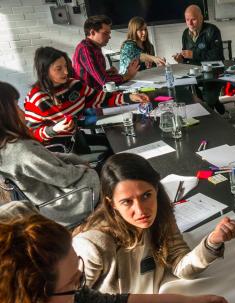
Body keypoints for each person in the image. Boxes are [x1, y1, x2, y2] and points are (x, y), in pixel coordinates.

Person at [0, 208, 235, 303]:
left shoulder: (64, 301)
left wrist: (185, 302)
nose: (80, 284)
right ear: (33, 302)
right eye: (71, 284)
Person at [72, 153, 235, 303]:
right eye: (127, 202)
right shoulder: (92, 244)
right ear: (111, 204)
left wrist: (212, 242)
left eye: (146, 196)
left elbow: (180, 265)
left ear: (156, 190)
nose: (142, 210)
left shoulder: (161, 217)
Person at [0, 81, 99, 227]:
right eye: (16, 106)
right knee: (106, 176)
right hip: (62, 204)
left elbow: (45, 158)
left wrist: (73, 160)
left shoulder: (8, 145)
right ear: (5, 113)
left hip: (48, 198)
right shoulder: (20, 150)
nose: (22, 112)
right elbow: (63, 177)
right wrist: (83, 168)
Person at [24, 46, 148, 155]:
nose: (66, 72)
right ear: (45, 71)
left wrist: (130, 97)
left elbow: (101, 98)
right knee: (113, 150)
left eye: (66, 66)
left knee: (118, 144)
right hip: (56, 150)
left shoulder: (74, 85)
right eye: (59, 69)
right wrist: (54, 129)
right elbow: (32, 134)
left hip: (76, 139)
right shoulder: (36, 98)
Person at [172, 5, 226, 115]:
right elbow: (187, 57)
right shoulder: (185, 34)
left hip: (213, 72)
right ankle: (213, 103)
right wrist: (181, 59)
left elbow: (217, 56)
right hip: (194, 72)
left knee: (208, 101)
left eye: (193, 19)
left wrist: (194, 54)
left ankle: (213, 103)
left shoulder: (212, 30)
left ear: (201, 18)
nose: (190, 23)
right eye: (187, 20)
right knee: (184, 95)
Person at [73, 15, 140, 91]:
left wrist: (107, 72)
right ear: (92, 32)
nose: (109, 37)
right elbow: (105, 81)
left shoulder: (94, 47)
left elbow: (93, 76)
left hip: (97, 94)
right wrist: (128, 75)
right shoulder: (85, 49)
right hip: (91, 98)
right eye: (105, 33)